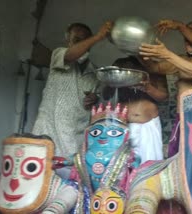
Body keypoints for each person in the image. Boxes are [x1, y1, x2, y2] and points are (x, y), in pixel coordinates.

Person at [32, 22, 112, 168]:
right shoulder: (59, 55)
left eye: (85, 40)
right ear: (68, 40)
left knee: (69, 176)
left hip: (76, 133)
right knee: (41, 171)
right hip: (49, 128)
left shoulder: (95, 72)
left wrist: (94, 98)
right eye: (76, 40)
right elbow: (72, 55)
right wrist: (99, 36)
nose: (82, 44)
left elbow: (97, 99)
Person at [139, 21, 192, 157]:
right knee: (177, 159)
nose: (187, 42)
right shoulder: (180, 60)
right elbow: (154, 68)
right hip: (181, 119)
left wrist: (167, 54)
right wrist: (138, 48)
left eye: (191, 38)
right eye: (185, 38)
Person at [98, 56, 168, 164]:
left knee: (144, 170)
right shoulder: (116, 95)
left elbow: (163, 97)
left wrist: (146, 86)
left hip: (145, 141)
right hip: (122, 138)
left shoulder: (147, 103)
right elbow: (106, 96)